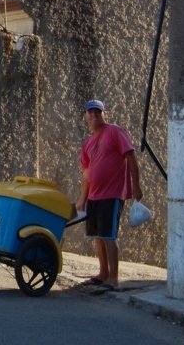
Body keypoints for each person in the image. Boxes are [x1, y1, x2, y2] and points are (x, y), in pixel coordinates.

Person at [74, 99, 143, 293]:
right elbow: (86, 173)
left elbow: (131, 158)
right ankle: (103, 273)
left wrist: (135, 186)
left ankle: (114, 278)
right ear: (85, 116)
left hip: (112, 194)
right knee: (97, 236)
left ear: (105, 114)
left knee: (109, 235)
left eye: (98, 112)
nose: (94, 115)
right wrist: (82, 199)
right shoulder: (87, 142)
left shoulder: (114, 132)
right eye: (91, 112)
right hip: (94, 196)